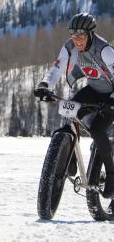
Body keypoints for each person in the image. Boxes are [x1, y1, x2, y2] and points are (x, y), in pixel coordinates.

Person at [34, 12, 114, 198]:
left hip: (111, 94)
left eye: (81, 36)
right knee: (70, 109)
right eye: (74, 35)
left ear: (90, 34)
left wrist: (111, 102)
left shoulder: (105, 51)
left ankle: (111, 175)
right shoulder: (70, 47)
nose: (77, 40)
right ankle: (68, 154)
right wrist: (45, 85)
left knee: (97, 130)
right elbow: (57, 68)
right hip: (93, 90)